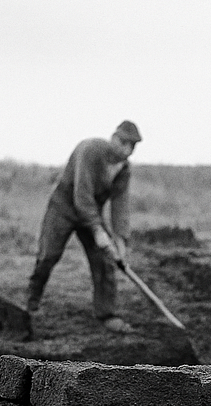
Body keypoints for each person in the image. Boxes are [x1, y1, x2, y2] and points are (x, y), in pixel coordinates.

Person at [25, 120, 141, 333]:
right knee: (48, 255)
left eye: (132, 146)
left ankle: (107, 314)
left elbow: (120, 206)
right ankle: (31, 300)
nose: (127, 150)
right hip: (64, 207)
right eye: (123, 143)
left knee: (105, 260)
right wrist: (97, 230)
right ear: (113, 138)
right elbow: (82, 194)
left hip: (91, 212)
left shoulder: (124, 169)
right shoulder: (90, 150)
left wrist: (120, 242)